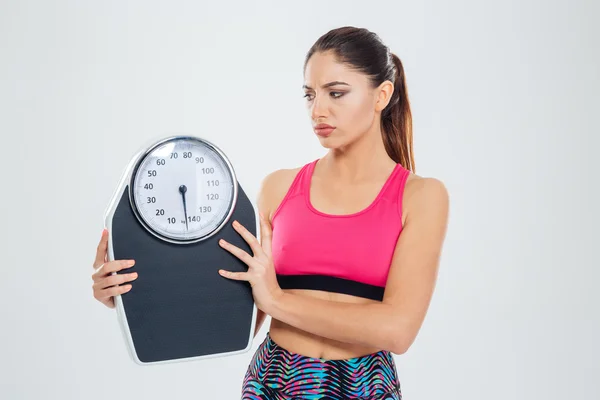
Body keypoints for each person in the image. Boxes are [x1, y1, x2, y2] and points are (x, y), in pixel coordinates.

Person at [92, 26, 449, 400]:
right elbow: (237, 311)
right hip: (274, 381)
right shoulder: (278, 188)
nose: (318, 110)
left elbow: (397, 331)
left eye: (336, 93)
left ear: (382, 95)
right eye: (309, 95)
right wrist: (132, 294)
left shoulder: (421, 196)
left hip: (364, 386)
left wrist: (278, 301)